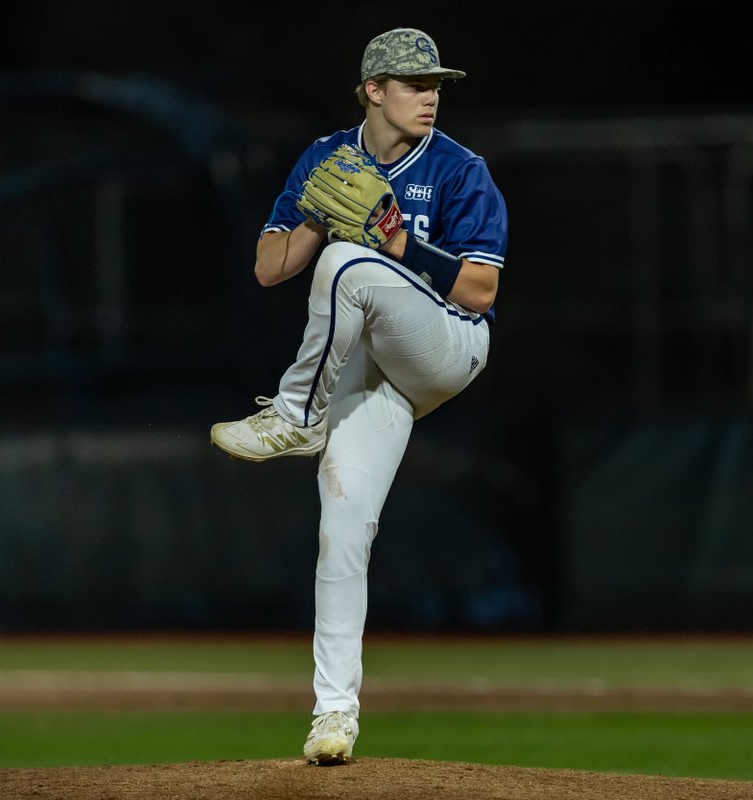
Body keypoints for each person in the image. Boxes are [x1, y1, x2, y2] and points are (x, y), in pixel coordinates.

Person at [210, 26, 507, 766]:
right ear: (373, 89)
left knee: (349, 263)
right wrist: (315, 216)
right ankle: (333, 716)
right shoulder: (324, 157)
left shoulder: (461, 169)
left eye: (436, 84)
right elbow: (268, 268)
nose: (430, 97)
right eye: (415, 83)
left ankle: (294, 415)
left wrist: (398, 242)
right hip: (371, 368)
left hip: (446, 346)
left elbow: (482, 288)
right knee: (342, 531)